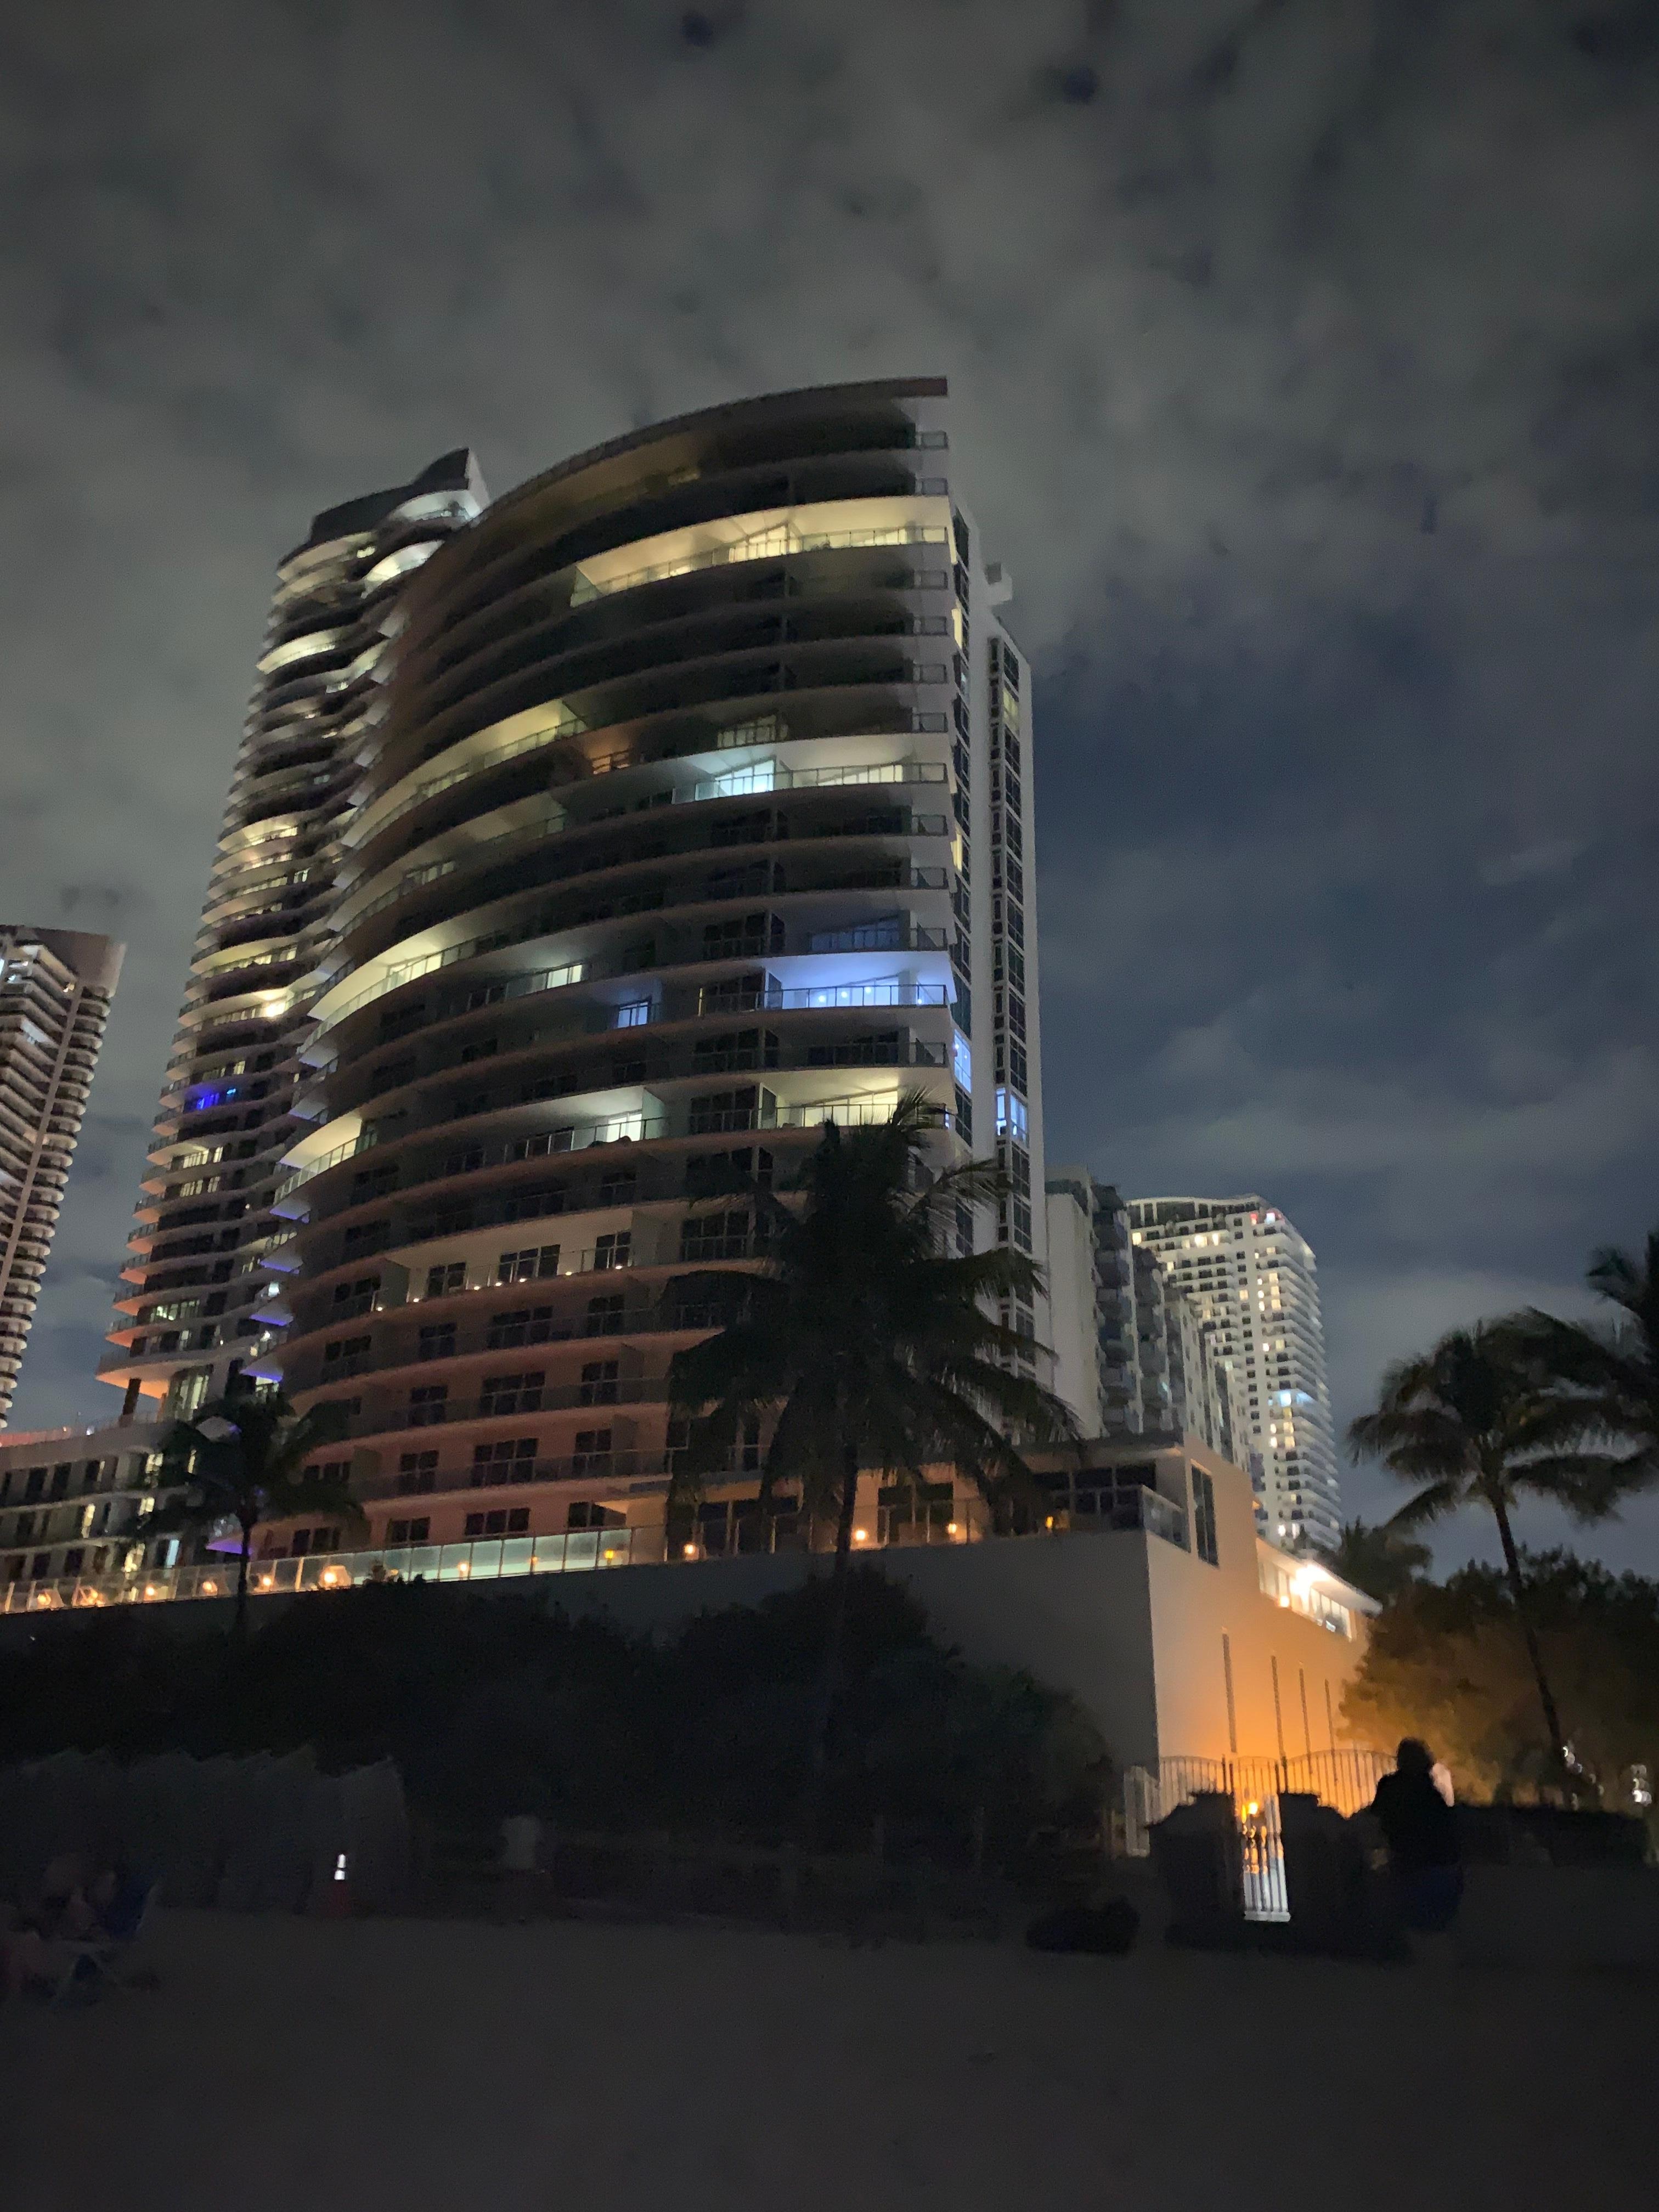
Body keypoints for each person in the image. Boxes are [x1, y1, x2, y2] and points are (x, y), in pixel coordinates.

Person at [1370, 1738, 1463, 1933]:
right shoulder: (1429, 1793)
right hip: (1430, 1861)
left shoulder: (1391, 1786)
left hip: (1405, 1858)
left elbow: (1377, 1819)